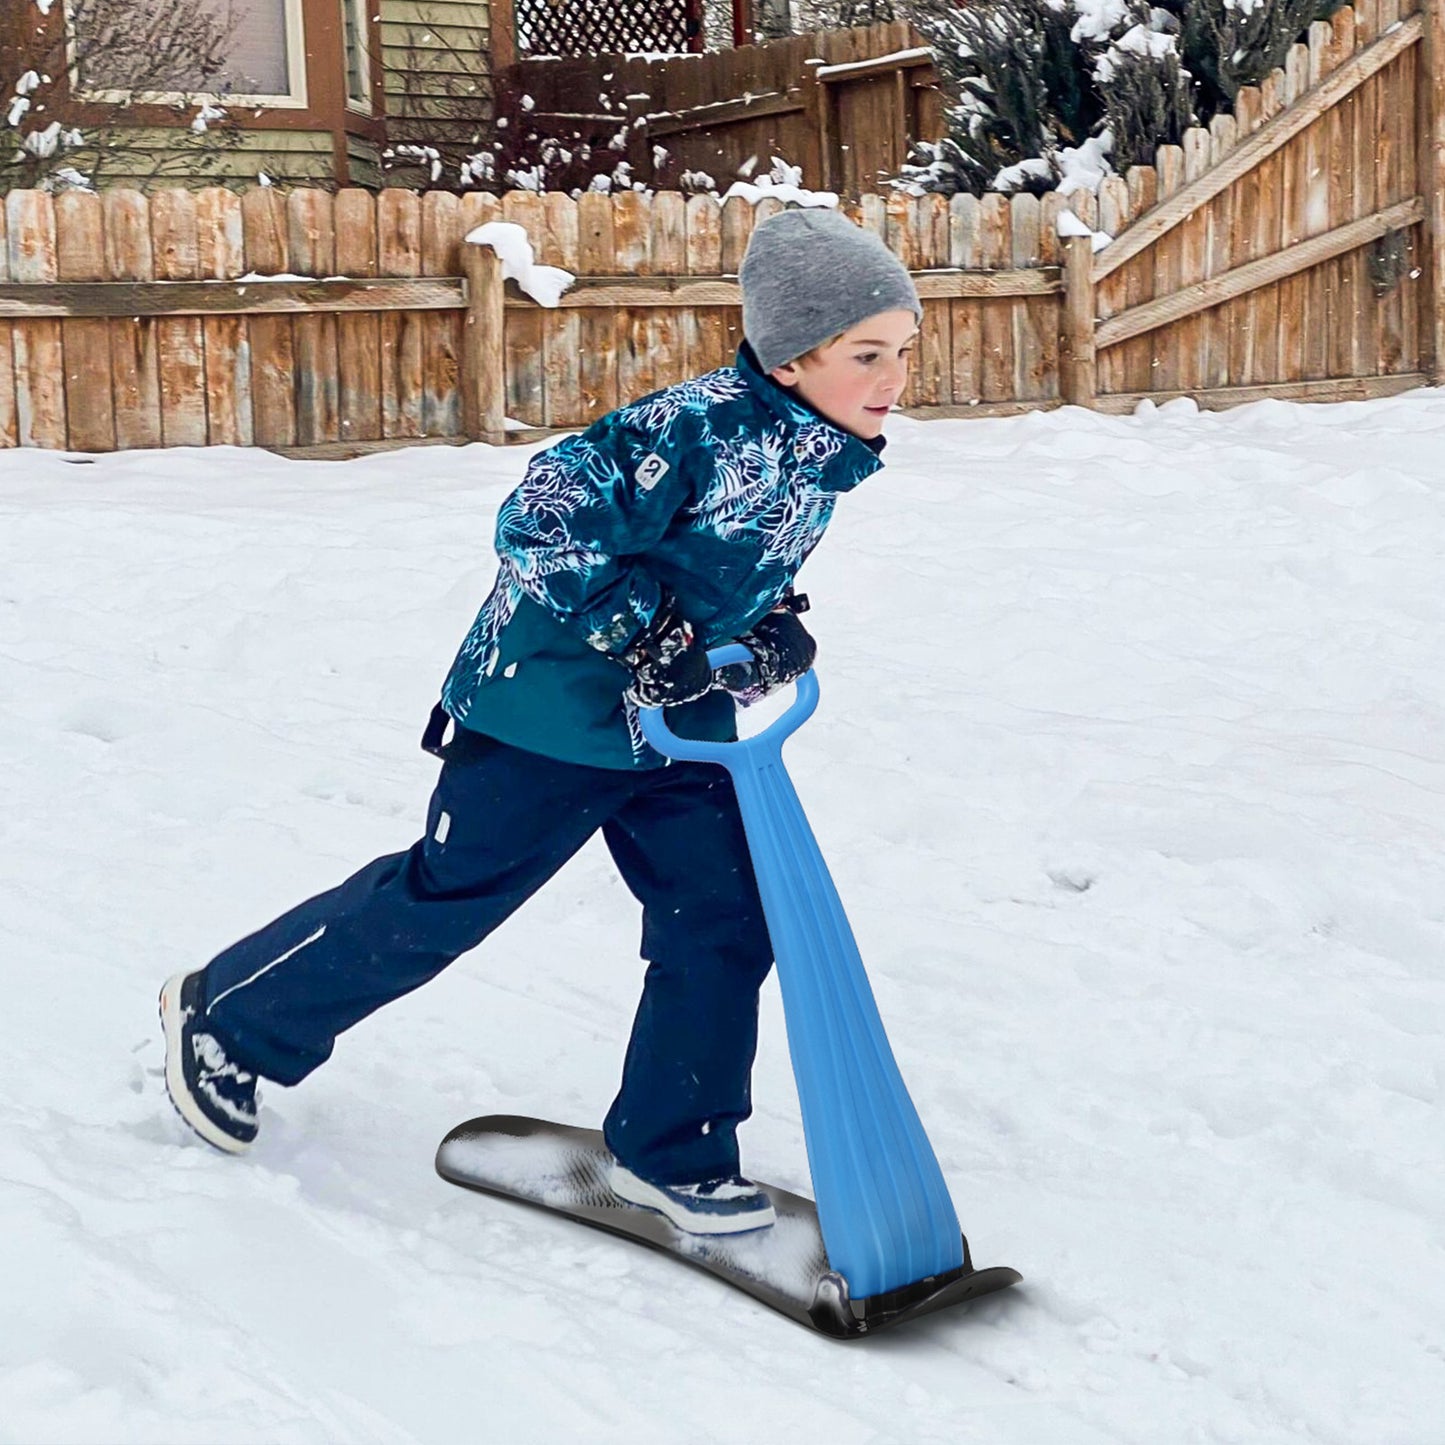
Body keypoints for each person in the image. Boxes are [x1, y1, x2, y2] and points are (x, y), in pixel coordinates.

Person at [159, 205, 921, 1237]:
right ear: (790, 358)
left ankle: (671, 1150)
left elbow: (716, 564)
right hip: (544, 711)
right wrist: (637, 629)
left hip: (675, 723)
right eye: (866, 353)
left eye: (902, 352)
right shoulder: (682, 428)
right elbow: (539, 517)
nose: (891, 378)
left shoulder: (820, 448)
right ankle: (229, 1019)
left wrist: (770, 627)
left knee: (726, 918)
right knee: (446, 898)